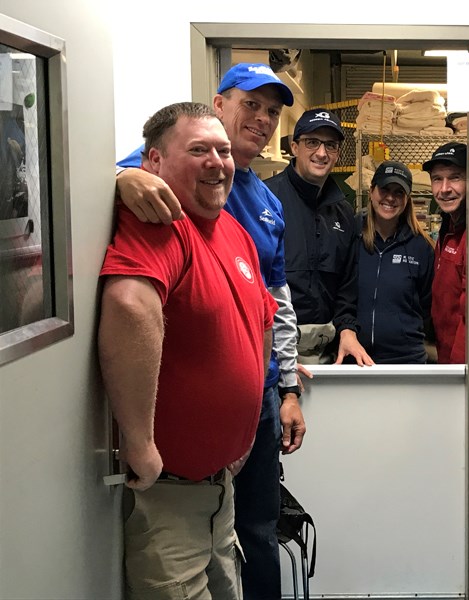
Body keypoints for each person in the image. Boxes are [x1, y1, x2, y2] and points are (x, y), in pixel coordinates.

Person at [115, 62, 306, 600]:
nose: (263, 119)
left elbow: (275, 305)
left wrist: (285, 386)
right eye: (252, 104)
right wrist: (121, 179)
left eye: (273, 112)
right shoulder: (165, 176)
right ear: (219, 105)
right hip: (175, 458)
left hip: (257, 406)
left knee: (257, 531)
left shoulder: (263, 206)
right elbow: (101, 190)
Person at [264, 109, 374, 366]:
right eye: (312, 142)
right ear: (294, 146)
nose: (322, 153)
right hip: (273, 347)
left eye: (330, 145)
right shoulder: (266, 199)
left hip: (328, 353)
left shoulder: (344, 211)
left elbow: (347, 284)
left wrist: (347, 328)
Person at [356, 160, 435, 363]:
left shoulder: (421, 247)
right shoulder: (351, 236)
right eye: (384, 189)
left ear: (407, 199)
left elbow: (427, 307)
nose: (390, 198)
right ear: (372, 191)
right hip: (355, 359)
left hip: (406, 360)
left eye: (398, 192)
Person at [422, 142, 468, 364]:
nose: (445, 188)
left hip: (460, 366)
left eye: (455, 177)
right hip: (443, 354)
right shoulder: (448, 226)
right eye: (437, 179)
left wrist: (459, 373)